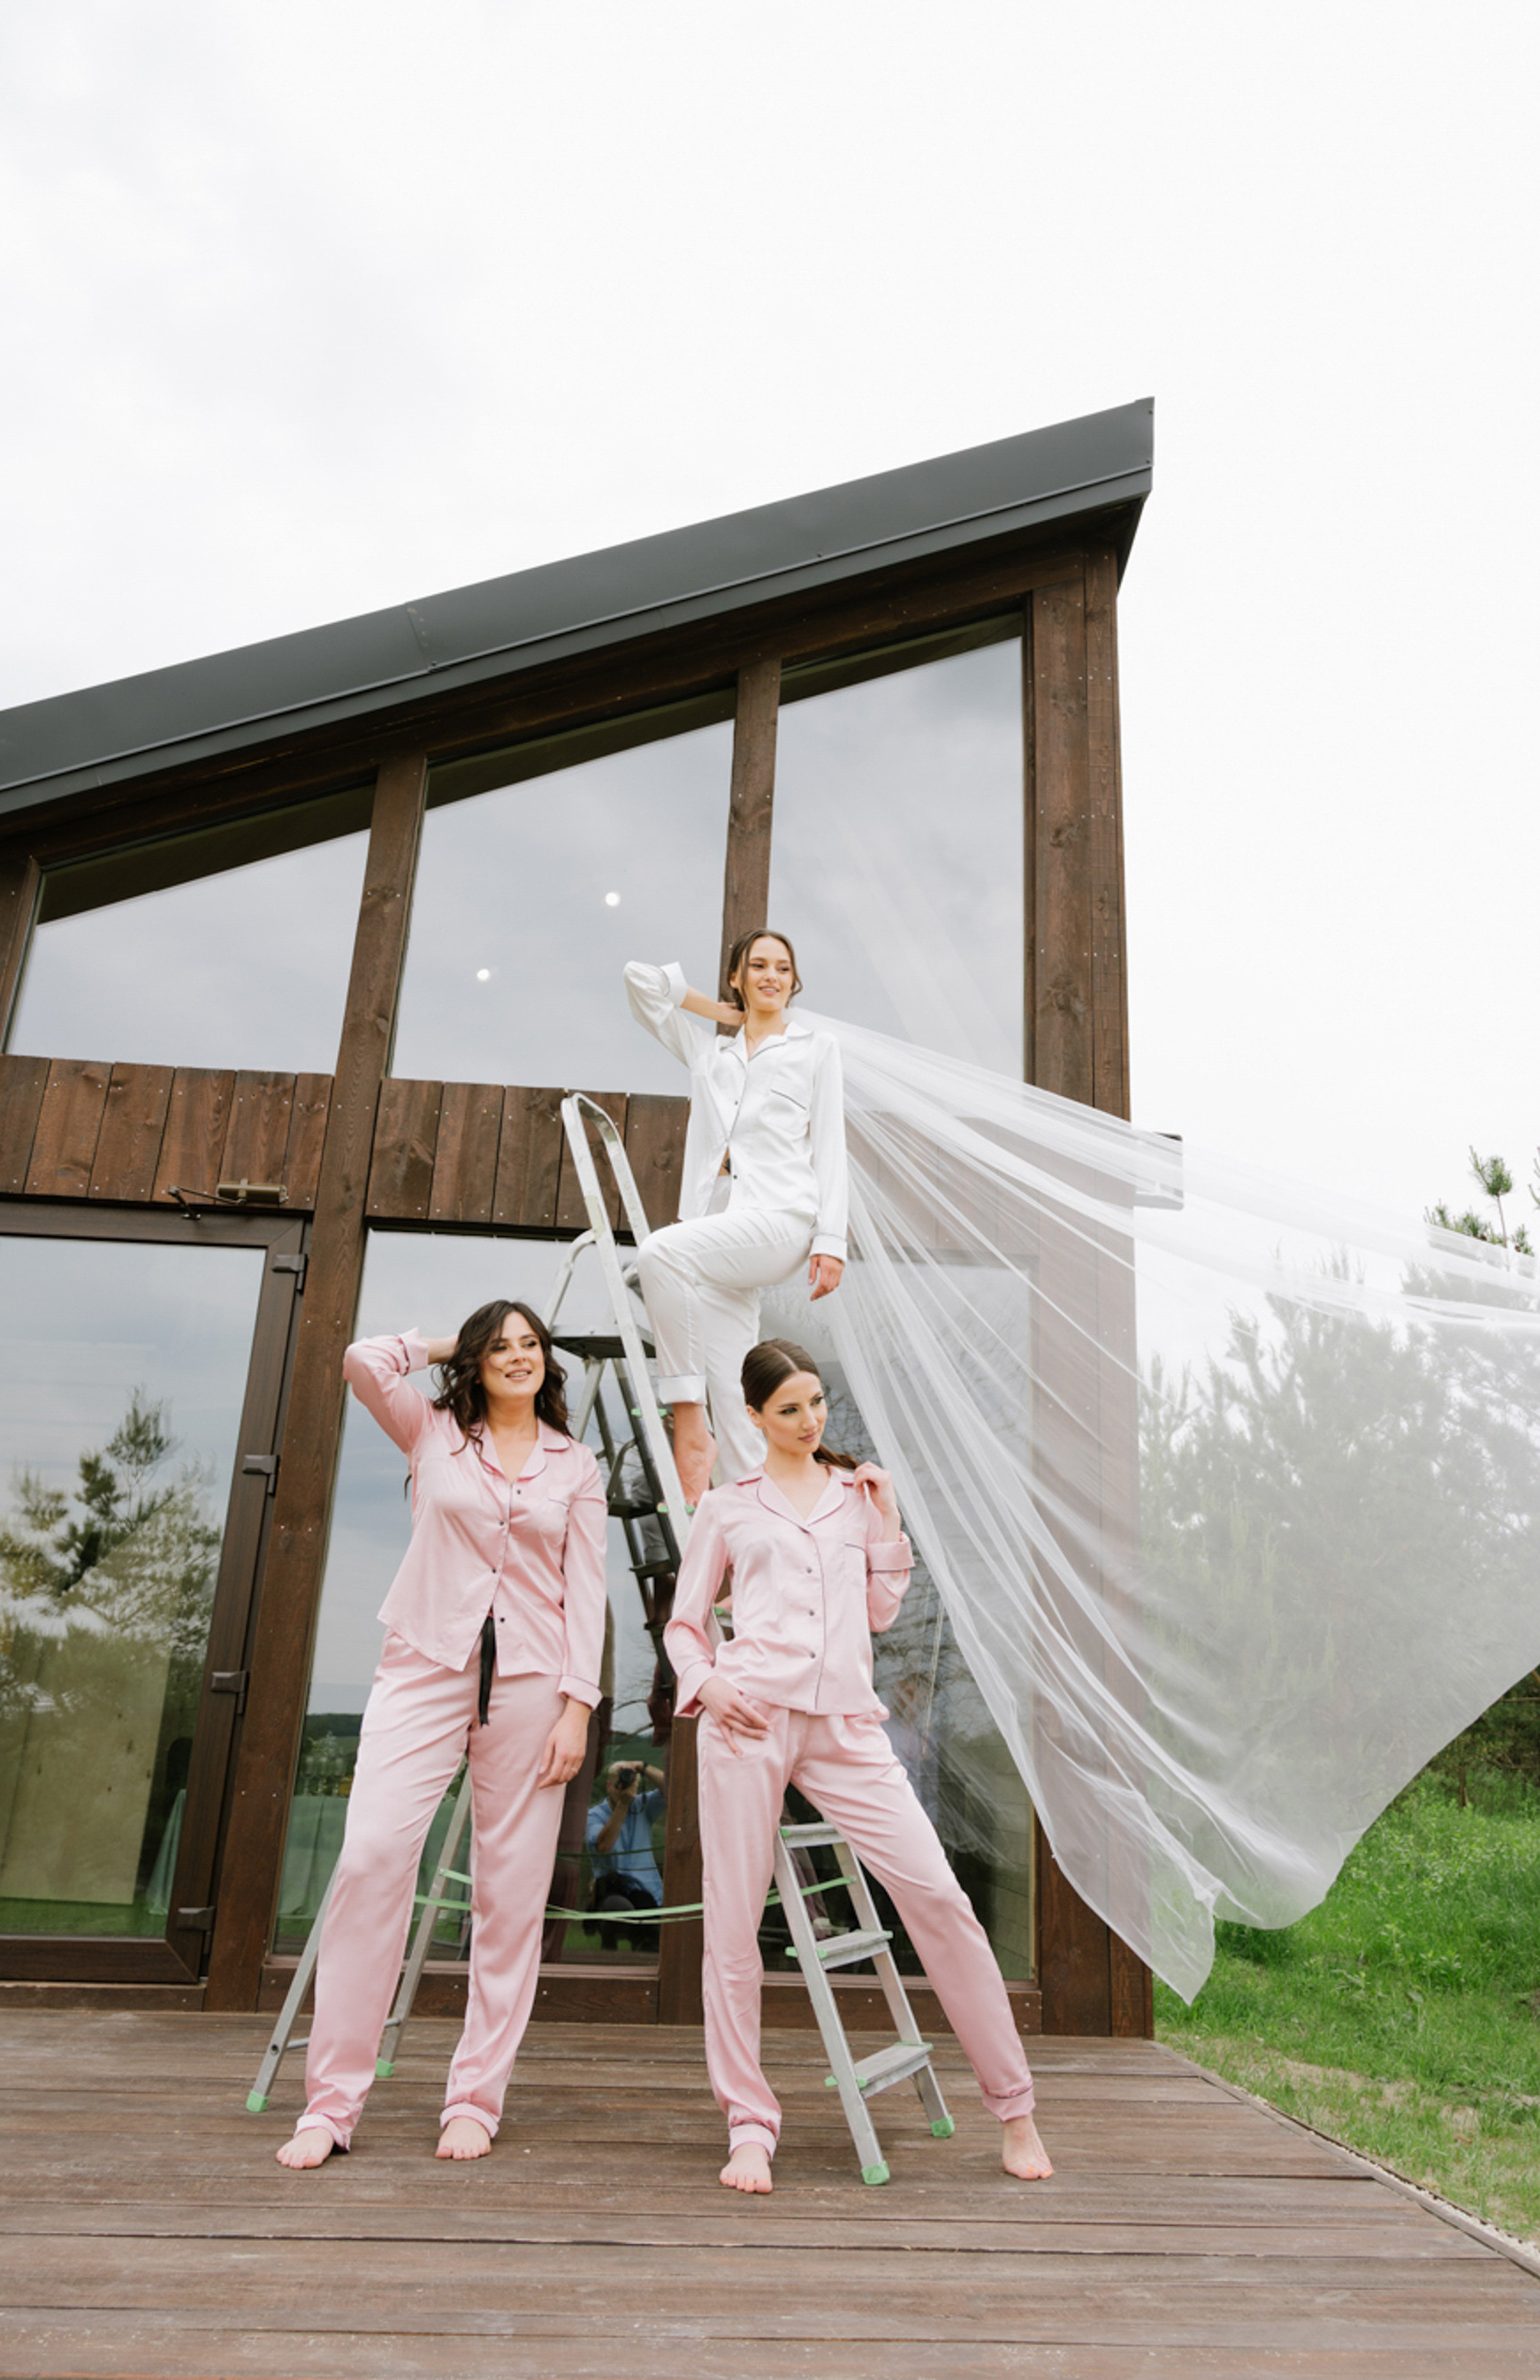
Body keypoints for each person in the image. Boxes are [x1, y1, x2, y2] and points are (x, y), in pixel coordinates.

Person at [664, 1336, 1053, 2195]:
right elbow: (684, 1625)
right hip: (747, 1718)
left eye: (816, 1403)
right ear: (756, 1417)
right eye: (790, 1409)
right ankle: (749, 2125)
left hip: (845, 1725)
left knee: (939, 1900)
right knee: (731, 1932)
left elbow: (880, 1613)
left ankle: (1014, 2108)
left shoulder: (855, 1495)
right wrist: (707, 1687)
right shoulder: (727, 1508)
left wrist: (890, 1525)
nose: (810, 1420)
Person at [275, 1301, 606, 2170]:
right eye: (499, 1346)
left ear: (548, 1362)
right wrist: (440, 1344)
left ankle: (474, 2097)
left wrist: (578, 1703)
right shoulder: (432, 1432)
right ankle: (331, 2102)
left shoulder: (578, 1466)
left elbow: (589, 1591)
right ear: (476, 1359)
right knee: (372, 1858)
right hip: (423, 1664)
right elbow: (359, 1360)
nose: (517, 1357)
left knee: (510, 1893)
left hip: (534, 1685)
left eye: (530, 1345)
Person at [625, 931, 846, 1503]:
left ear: (793, 981)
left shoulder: (816, 1050)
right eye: (757, 966)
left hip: (782, 1218)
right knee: (735, 1398)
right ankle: (758, 1538)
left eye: (782, 967)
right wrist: (713, 1010)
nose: (771, 975)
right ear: (737, 976)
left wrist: (832, 1239)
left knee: (658, 1251)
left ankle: (687, 1423)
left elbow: (830, 1145)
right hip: (719, 1233)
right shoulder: (710, 1053)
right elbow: (637, 980)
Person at [585, 1757, 666, 1942]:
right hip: (612, 1891)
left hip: (646, 1891)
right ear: (608, 1786)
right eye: (618, 1783)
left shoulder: (642, 1805)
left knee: (651, 1935)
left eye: (630, 1782)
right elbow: (603, 1846)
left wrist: (643, 1767)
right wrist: (623, 1805)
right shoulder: (594, 1816)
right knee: (617, 1908)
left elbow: (674, 1789)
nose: (623, 1787)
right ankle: (608, 1958)